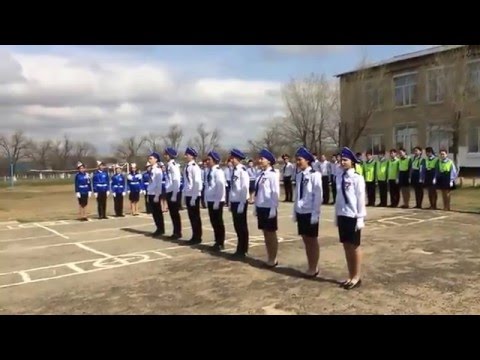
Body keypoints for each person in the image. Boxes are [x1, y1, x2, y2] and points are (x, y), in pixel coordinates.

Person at [335, 147, 366, 290]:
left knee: (354, 247)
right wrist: (336, 215)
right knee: (346, 246)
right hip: (343, 214)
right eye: (341, 160)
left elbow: (360, 199)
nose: (342, 162)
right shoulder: (340, 176)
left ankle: (356, 276)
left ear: (352, 162)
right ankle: (350, 275)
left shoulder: (357, 177)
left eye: (345, 160)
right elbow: (338, 198)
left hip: (353, 215)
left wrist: (360, 218)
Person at [292, 147, 323, 278]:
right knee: (305, 239)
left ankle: (313, 267)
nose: (297, 162)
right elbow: (297, 194)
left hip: (310, 212)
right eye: (297, 160)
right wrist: (295, 210)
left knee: (312, 240)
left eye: (300, 160)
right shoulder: (299, 175)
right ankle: (310, 265)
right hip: (301, 211)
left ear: (307, 161)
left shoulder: (314, 175)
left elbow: (318, 195)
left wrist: (316, 213)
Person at [254, 148, 280, 268]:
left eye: (262, 159)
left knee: (271, 234)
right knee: (265, 234)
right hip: (261, 206)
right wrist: (255, 205)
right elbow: (258, 192)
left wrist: (273, 208)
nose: (260, 161)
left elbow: (275, 192)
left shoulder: (272, 175)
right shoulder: (260, 174)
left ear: (269, 161)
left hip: (269, 207)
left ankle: (273, 258)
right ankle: (269, 256)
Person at [228, 148, 250, 258]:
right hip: (235, 201)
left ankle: (243, 250)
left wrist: (242, 202)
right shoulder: (234, 170)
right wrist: (230, 201)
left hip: (240, 201)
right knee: (237, 226)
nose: (230, 160)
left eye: (232, 158)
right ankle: (239, 248)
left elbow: (244, 187)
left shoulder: (242, 170)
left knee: (242, 226)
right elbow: (233, 188)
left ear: (237, 158)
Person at [204, 151, 227, 251]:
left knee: (218, 222)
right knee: (213, 222)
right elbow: (208, 186)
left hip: (217, 199)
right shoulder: (209, 171)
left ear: (214, 160)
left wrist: (218, 200)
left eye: (209, 159)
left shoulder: (218, 171)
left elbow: (220, 186)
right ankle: (216, 241)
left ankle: (220, 242)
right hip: (211, 199)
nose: (207, 161)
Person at [183, 147, 203, 245]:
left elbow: (197, 182)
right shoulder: (187, 166)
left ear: (191, 155)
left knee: (195, 217)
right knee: (191, 217)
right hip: (188, 193)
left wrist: (194, 196)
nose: (185, 156)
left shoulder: (194, 167)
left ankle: (198, 236)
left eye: (187, 154)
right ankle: (194, 235)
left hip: (193, 194)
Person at [163, 147, 182, 240]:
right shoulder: (169, 165)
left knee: (175, 213)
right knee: (172, 213)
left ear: (170, 155)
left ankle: (177, 232)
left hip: (173, 191)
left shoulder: (173, 165)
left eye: (166, 154)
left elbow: (176, 179)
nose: (165, 156)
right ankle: (176, 231)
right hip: (169, 190)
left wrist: (174, 194)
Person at [147, 152, 165, 237]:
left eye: (151, 158)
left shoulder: (157, 170)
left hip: (155, 193)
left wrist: (157, 195)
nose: (149, 160)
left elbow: (158, 184)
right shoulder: (151, 169)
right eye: (149, 158)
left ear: (156, 159)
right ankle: (158, 228)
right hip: (151, 192)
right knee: (154, 212)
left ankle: (161, 229)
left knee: (157, 212)